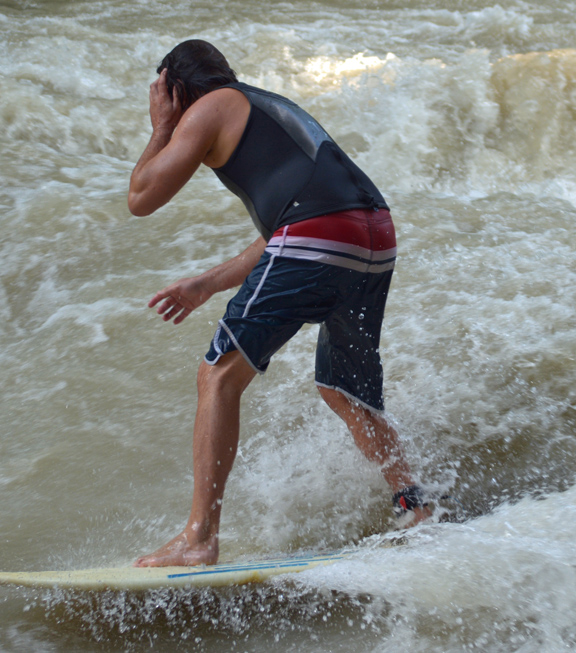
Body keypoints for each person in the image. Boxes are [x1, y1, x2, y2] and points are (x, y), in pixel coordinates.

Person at [128, 40, 430, 568]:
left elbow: (141, 198)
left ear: (174, 89)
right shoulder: (266, 110)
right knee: (342, 389)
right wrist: (208, 283)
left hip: (319, 230)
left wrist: (160, 126)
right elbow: (296, 229)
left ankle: (199, 538)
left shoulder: (211, 106)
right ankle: (415, 505)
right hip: (375, 233)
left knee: (218, 376)